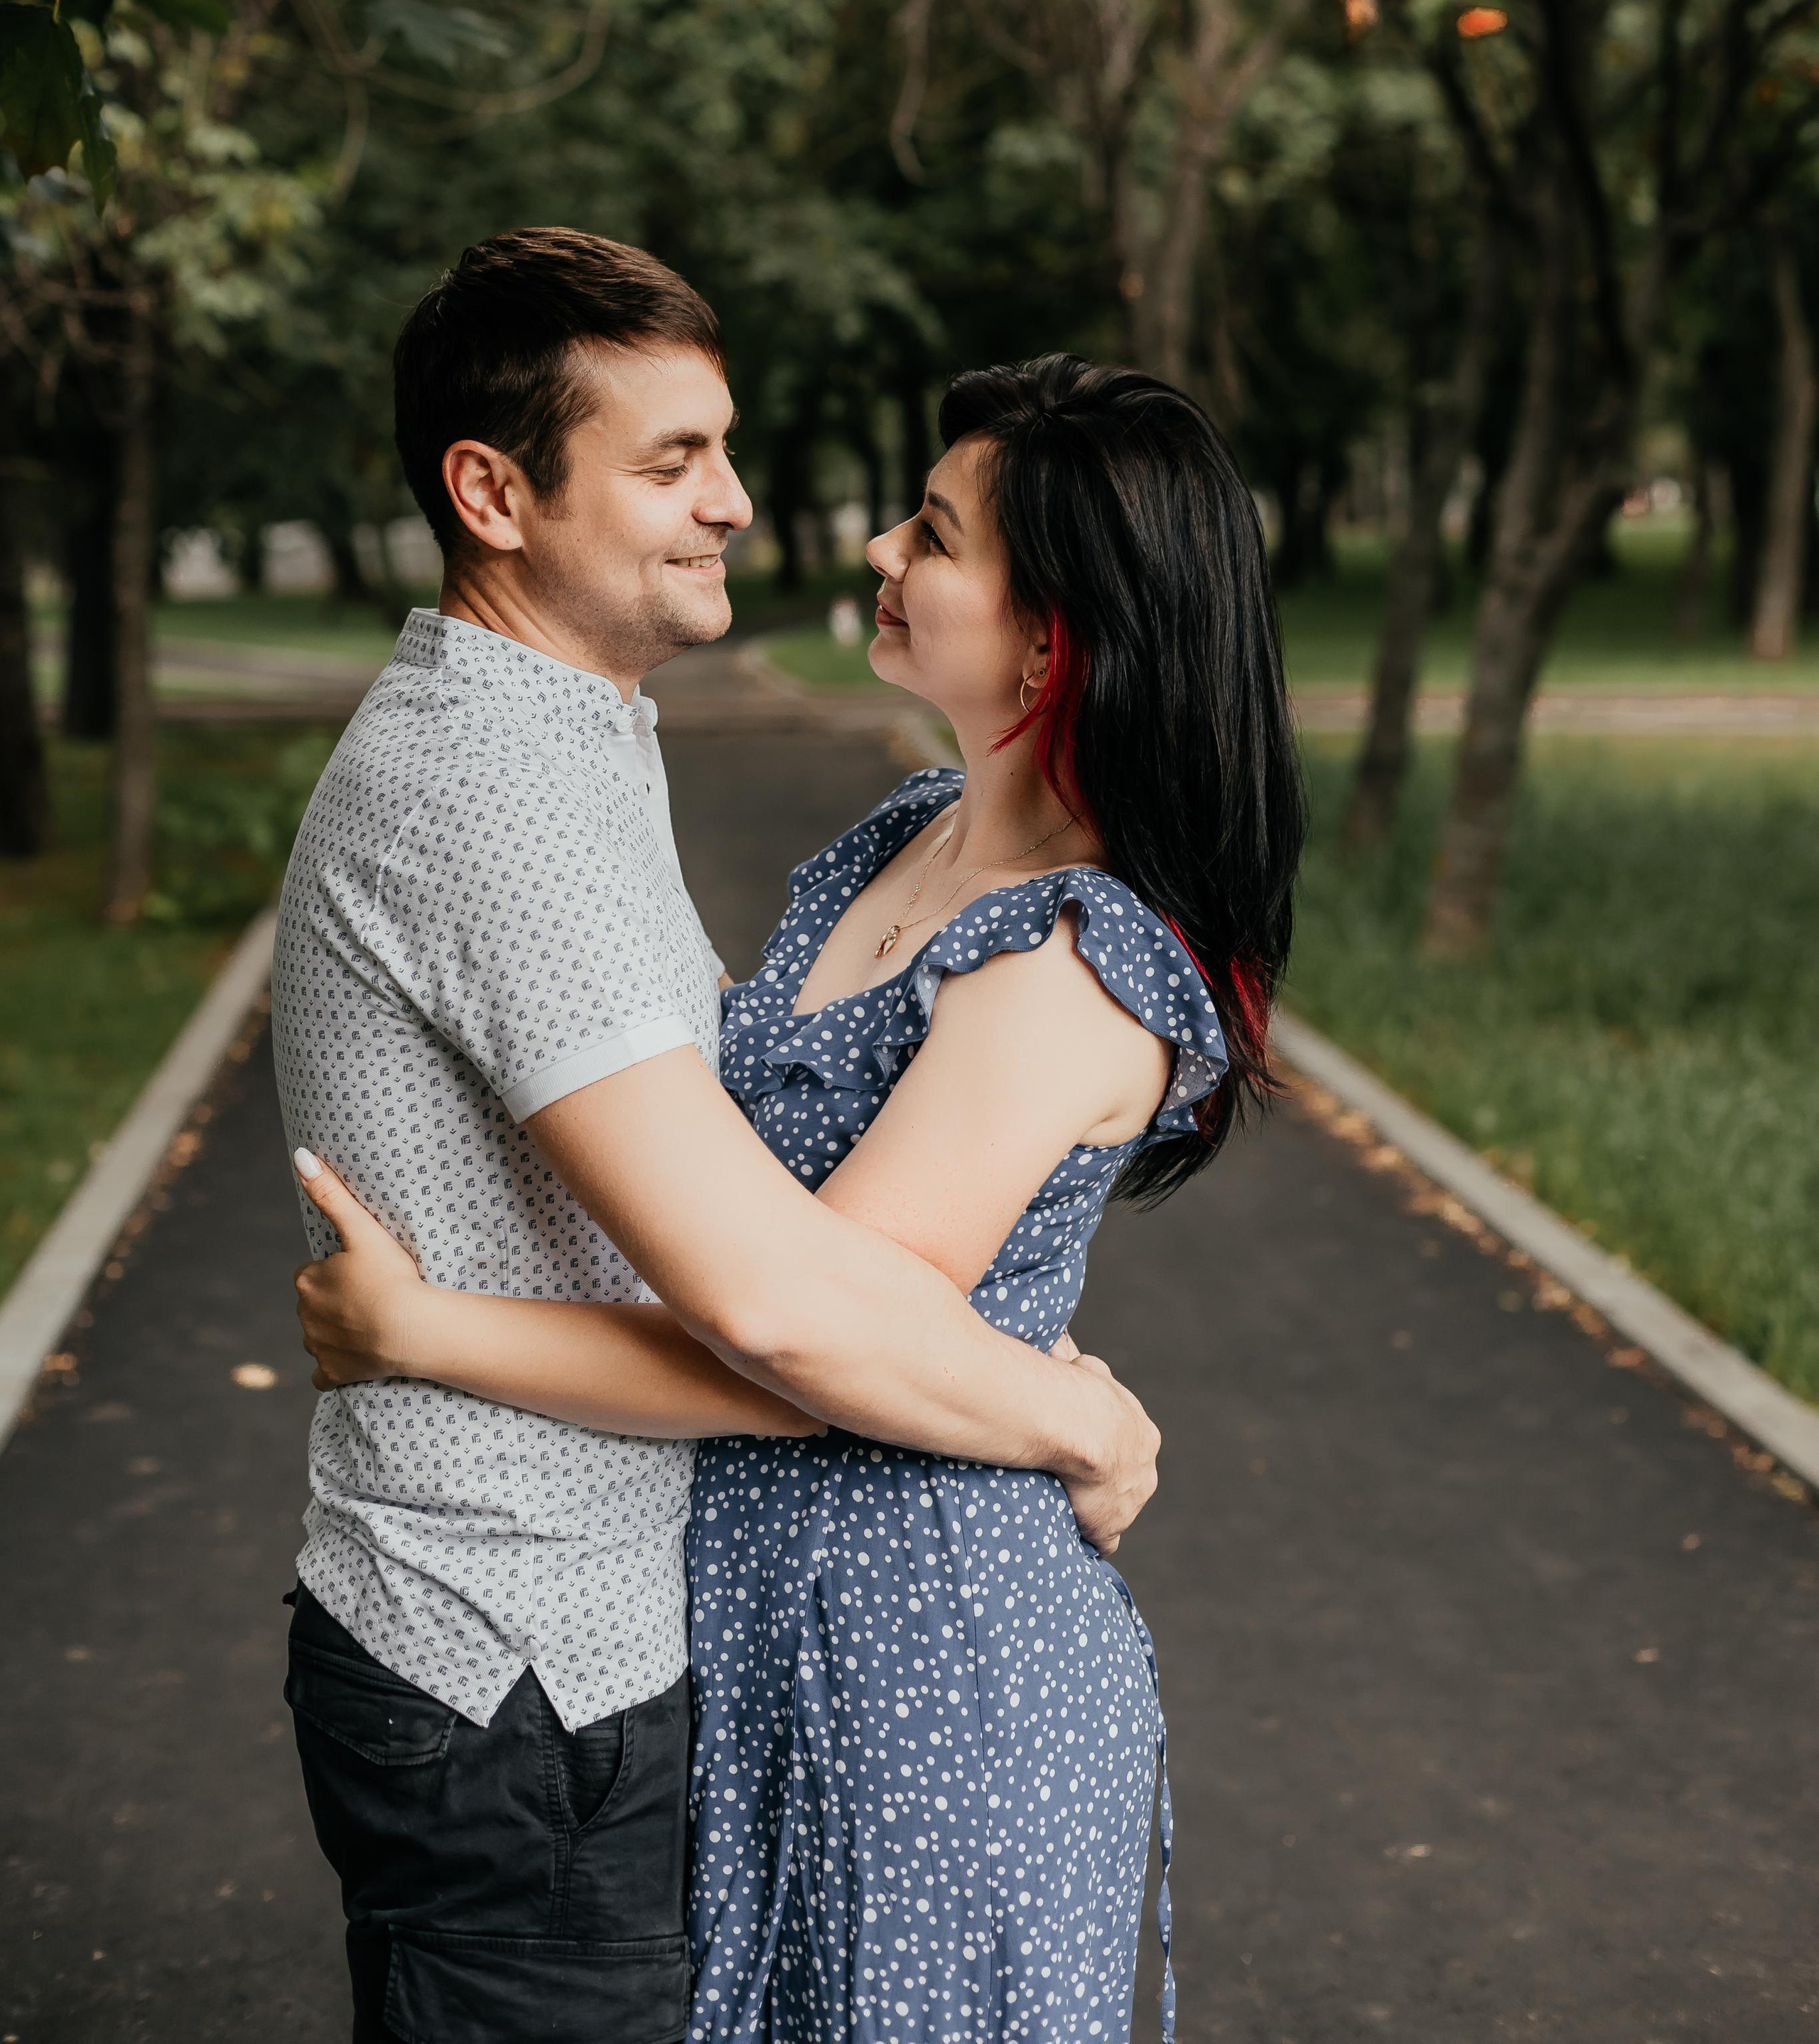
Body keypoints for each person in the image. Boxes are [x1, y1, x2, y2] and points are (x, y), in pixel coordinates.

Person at [293, 343, 1307, 2044]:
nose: (876, 555)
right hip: (763, 1623)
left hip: (919, 1666)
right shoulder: (908, 835)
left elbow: (787, 1336)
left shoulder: (1064, 960)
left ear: (1052, 637)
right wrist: (1074, 1416)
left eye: (932, 534)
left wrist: (427, 1331)